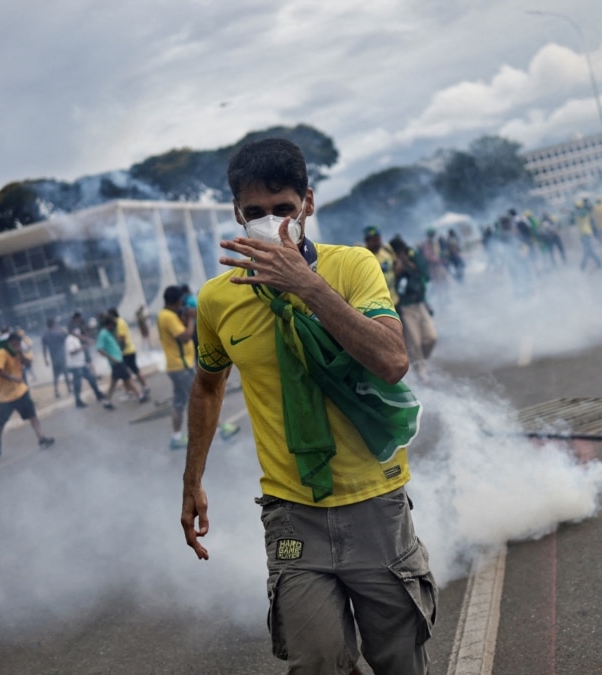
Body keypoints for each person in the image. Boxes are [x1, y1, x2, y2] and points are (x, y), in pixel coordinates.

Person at [181, 138, 434, 673]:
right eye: (254, 213)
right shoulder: (216, 299)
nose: (269, 224)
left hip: (375, 504)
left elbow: (391, 359)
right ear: (235, 214)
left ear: (309, 205)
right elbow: (207, 385)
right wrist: (192, 481)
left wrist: (308, 286)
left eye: (283, 210)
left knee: (399, 661)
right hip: (292, 512)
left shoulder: (352, 267)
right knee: (315, 662)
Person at [0, 332, 54, 456]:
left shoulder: (19, 352)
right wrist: (13, 378)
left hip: (21, 391)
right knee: (1, 422)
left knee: (32, 415)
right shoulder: (2, 353)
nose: (18, 344)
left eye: (19, 342)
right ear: (11, 342)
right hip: (5, 396)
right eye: (16, 342)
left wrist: (20, 354)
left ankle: (41, 438)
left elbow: (28, 364)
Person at [390, 235, 438, 384]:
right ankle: (420, 371)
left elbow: (424, 276)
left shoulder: (413, 257)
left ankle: (422, 362)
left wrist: (408, 263)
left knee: (431, 338)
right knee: (414, 342)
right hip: (406, 307)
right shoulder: (391, 262)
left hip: (420, 303)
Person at [159, 286, 196, 450]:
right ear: (177, 300)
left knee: (180, 402)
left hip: (175, 366)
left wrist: (183, 319)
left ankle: (176, 437)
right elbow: (186, 337)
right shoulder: (168, 317)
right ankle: (216, 429)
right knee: (199, 399)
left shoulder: (164, 315)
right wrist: (191, 320)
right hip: (182, 366)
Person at [96, 315, 143, 410]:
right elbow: (100, 349)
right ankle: (139, 395)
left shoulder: (109, 333)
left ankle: (107, 400)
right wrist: (112, 358)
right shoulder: (103, 334)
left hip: (118, 360)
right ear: (108, 324)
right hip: (116, 361)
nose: (114, 327)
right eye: (112, 325)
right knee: (128, 378)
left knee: (115, 382)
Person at [108, 308, 151, 400]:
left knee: (125, 374)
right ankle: (144, 387)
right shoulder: (121, 321)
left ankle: (130, 392)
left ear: (112, 316)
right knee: (135, 370)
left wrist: (117, 348)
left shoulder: (119, 324)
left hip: (125, 352)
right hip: (130, 349)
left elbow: (122, 338)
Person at [363, 226, 398, 305]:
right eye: (374, 241)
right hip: (378, 304)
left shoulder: (386, 250)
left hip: (394, 299)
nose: (378, 243)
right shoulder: (363, 257)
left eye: (378, 239)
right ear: (367, 241)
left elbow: (396, 263)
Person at [40, 318, 68, 399]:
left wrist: (45, 359)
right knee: (65, 373)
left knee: (56, 376)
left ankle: (56, 391)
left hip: (54, 358)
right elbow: (66, 339)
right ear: (54, 323)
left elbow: (44, 348)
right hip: (62, 356)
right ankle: (69, 389)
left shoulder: (45, 335)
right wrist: (63, 331)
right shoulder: (59, 332)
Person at [574, 199, 602, 271]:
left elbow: (582, 213)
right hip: (583, 234)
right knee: (588, 251)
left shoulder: (584, 212)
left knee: (588, 251)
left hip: (586, 233)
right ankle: (598, 263)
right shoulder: (577, 214)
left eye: (578, 207)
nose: (577, 208)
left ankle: (583, 266)